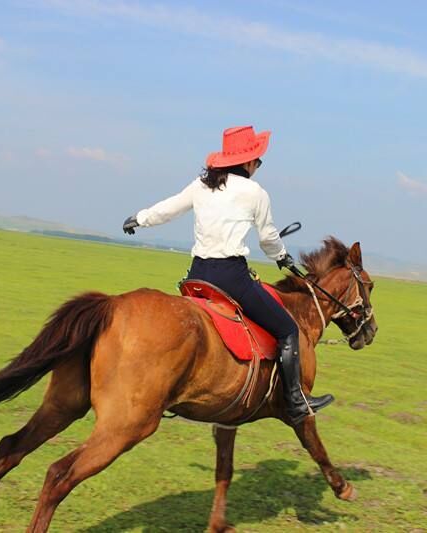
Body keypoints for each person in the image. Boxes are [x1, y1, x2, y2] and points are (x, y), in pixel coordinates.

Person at [122, 125, 333, 425]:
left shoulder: (201, 185)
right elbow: (269, 238)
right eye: (258, 161)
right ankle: (296, 401)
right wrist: (282, 257)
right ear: (247, 162)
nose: (258, 167)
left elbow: (169, 208)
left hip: (197, 276)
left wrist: (139, 218)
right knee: (288, 330)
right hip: (231, 278)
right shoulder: (255, 193)